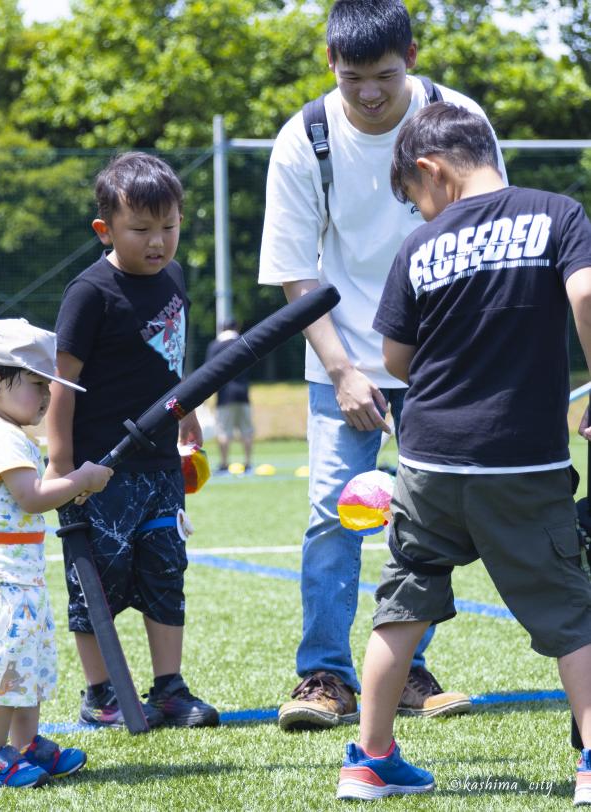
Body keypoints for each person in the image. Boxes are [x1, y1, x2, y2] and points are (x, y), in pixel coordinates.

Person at [258, 0, 506, 729]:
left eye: (386, 77)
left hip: (440, 361)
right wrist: (342, 370)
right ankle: (324, 678)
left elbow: (488, 234)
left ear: (415, 58)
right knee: (333, 515)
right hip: (340, 357)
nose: (369, 94)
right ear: (330, 63)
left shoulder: (460, 121)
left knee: (425, 520)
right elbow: (295, 275)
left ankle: (404, 671)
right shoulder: (303, 138)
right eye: (354, 77)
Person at [335, 102, 591, 804]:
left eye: (415, 200)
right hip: (523, 464)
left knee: (402, 606)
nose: (421, 214)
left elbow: (395, 357)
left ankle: (370, 758)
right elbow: (589, 289)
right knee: (570, 613)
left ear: (431, 170)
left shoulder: (420, 248)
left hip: (429, 463)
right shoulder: (555, 212)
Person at [45, 151, 219, 729]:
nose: (158, 242)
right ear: (106, 229)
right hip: (101, 471)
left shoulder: (173, 278)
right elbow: (62, 384)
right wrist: (63, 466)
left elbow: (171, 362)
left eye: (168, 226)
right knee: (97, 578)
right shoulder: (89, 292)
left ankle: (169, 688)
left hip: (161, 465)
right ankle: (102, 695)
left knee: (166, 571)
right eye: (141, 229)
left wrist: (186, 412)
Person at [0, 318, 113, 788]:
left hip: (17, 577)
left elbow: (35, 493)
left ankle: (26, 745)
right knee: (3, 669)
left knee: (28, 665)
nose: (47, 398)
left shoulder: (6, 431)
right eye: (39, 385)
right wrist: (79, 479)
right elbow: (32, 496)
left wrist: (68, 487)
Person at [205, 319, 254, 473]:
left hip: (224, 394)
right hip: (243, 392)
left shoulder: (215, 346)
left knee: (224, 431)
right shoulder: (243, 341)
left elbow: (210, 371)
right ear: (237, 327)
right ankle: (248, 463)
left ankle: (224, 464)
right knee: (246, 430)